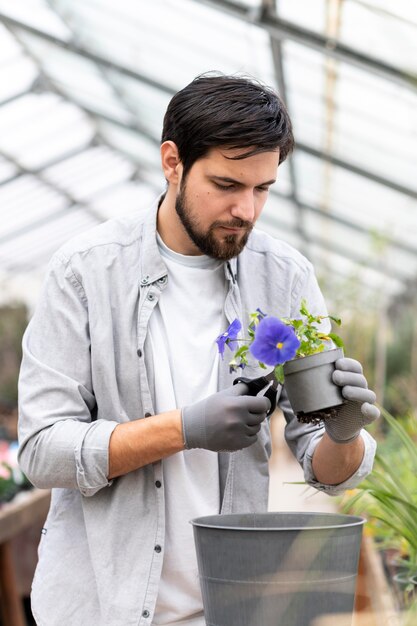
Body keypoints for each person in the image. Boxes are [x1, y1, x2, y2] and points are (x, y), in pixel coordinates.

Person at [18, 73, 378, 626]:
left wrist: (343, 431)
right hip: (98, 607)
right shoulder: (86, 271)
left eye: (262, 189)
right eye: (227, 185)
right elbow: (43, 451)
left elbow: (325, 469)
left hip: (230, 607)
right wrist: (183, 429)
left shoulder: (283, 278)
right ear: (172, 162)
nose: (247, 211)